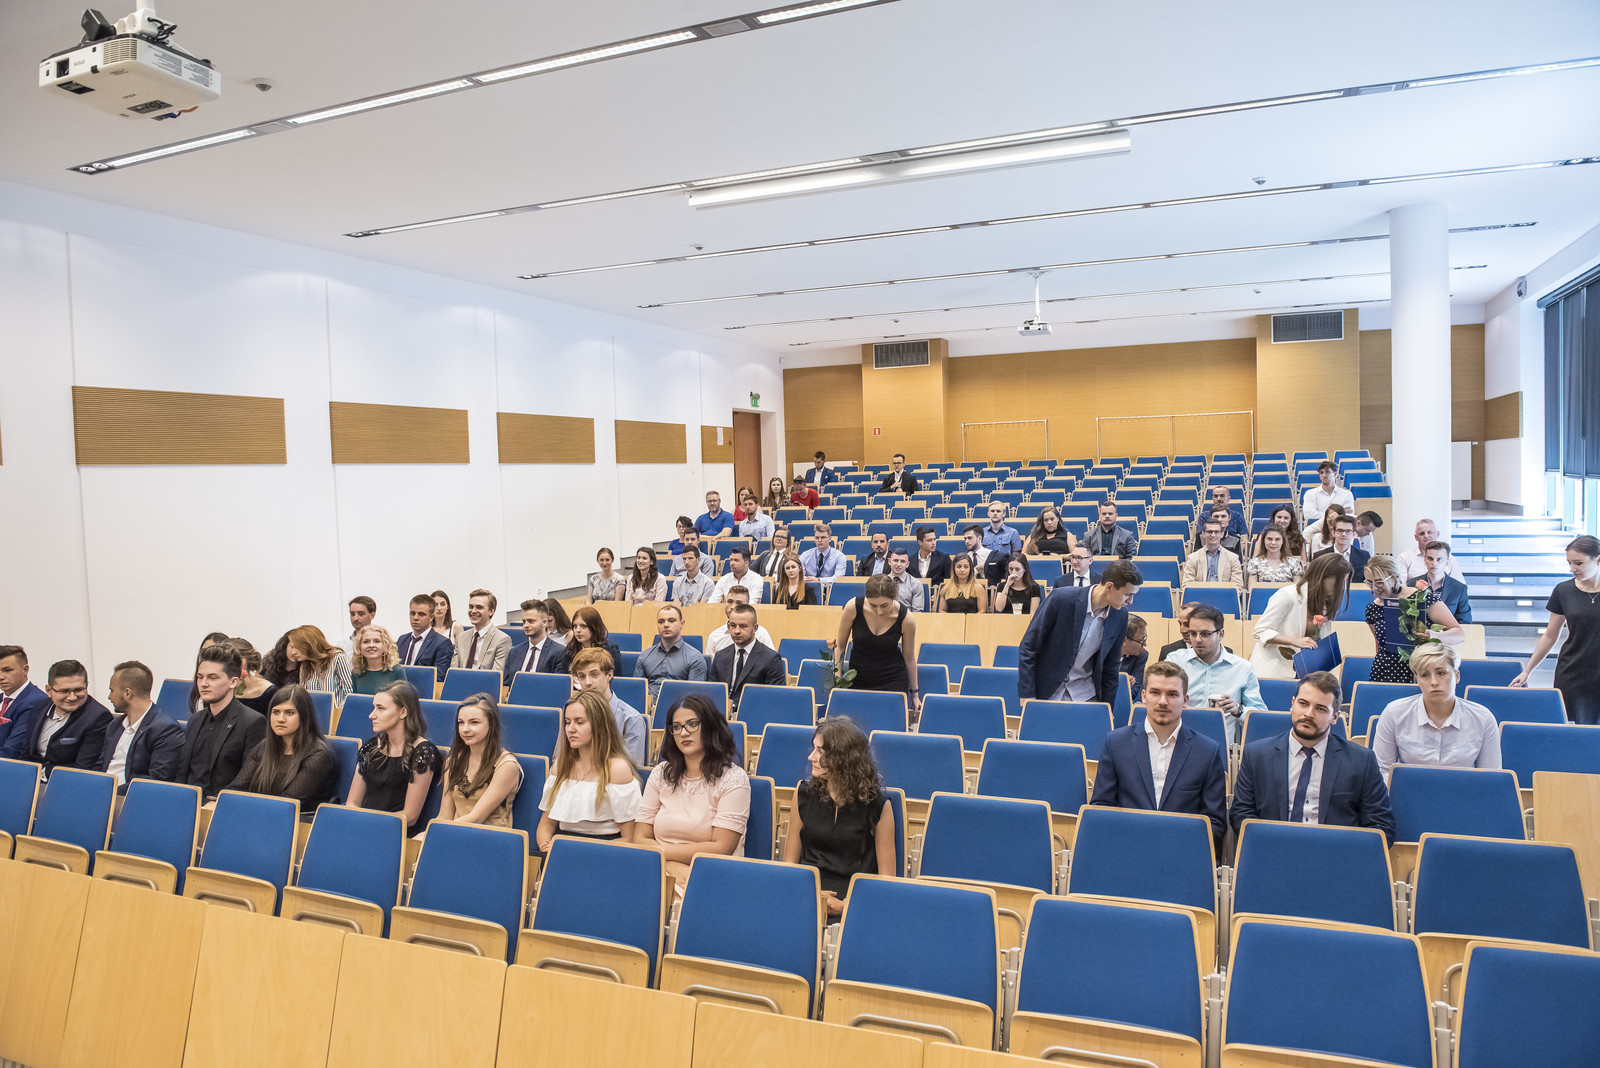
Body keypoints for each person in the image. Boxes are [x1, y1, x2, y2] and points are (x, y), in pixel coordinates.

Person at [1230, 672, 1394, 842]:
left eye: (1320, 709)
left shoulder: (1361, 761)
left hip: (1335, 852)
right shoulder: (1257, 755)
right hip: (1274, 849)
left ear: (1335, 717)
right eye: (1303, 704)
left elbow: (1381, 826)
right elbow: (1241, 814)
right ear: (1292, 704)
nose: (1309, 714)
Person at [1090, 661, 1229, 848]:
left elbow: (1215, 822)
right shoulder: (1116, 743)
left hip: (1181, 853)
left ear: (1185, 700)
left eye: (1172, 694)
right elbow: (1101, 807)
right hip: (1127, 850)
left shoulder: (1207, 751)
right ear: (1144, 696)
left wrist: (1169, 844)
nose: (1163, 701)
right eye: (1155, 692)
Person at [781, 717, 897, 914]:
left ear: (843, 759)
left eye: (820, 751)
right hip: (807, 896)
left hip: (856, 902)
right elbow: (789, 866)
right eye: (813, 748)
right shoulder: (803, 794)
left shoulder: (879, 805)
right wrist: (809, 896)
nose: (811, 757)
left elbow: (887, 882)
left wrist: (845, 906)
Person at [637, 693, 751, 890]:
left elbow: (722, 848)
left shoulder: (734, 779)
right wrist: (671, 866)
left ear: (710, 727)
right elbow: (639, 838)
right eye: (677, 727)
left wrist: (663, 854)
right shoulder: (660, 773)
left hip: (711, 875)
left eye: (692, 724)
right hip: (659, 870)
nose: (683, 733)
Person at [1370, 643, 1501, 781]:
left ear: (1457, 676)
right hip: (1407, 792)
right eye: (1425, 675)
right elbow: (1382, 771)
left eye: (1441, 673)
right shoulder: (1394, 713)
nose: (1433, 682)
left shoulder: (1483, 718)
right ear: (1417, 680)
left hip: (1464, 792)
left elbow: (1491, 778)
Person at [1018, 561, 1143, 703]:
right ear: (1109, 587)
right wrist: (1027, 694)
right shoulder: (1061, 598)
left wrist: (1107, 708)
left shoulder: (1120, 616)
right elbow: (1029, 646)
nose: (1130, 601)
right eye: (1128, 595)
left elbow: (1111, 666)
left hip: (1086, 694)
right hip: (1047, 690)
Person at [1511, 535, 1600, 723]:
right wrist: (1528, 670)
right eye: (1569, 563)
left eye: (1578, 563)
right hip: (1573, 673)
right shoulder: (1563, 590)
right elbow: (1550, 635)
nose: (1572, 569)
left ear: (1597, 560)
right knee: (1575, 730)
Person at [535, 689, 640, 846]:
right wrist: (546, 847)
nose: (570, 729)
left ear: (599, 726)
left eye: (579, 722)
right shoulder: (561, 766)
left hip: (605, 849)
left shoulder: (618, 769)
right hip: (562, 847)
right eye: (568, 722)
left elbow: (630, 838)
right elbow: (546, 824)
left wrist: (586, 854)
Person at [347, 681, 441, 836]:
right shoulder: (371, 747)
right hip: (364, 827)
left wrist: (369, 825)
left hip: (396, 834)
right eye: (374, 707)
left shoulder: (423, 752)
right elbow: (352, 803)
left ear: (403, 712)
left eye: (381, 708)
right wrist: (362, 824)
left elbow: (410, 816)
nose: (372, 715)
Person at [179, 644, 268, 801]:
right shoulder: (195, 720)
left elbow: (248, 779)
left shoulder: (253, 722)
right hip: (185, 802)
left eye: (213, 677)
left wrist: (218, 801)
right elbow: (182, 772)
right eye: (200, 677)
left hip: (223, 805)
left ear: (233, 682)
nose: (204, 683)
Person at [1166, 605, 1267, 743]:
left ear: (1220, 634)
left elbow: (1260, 715)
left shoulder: (1243, 668)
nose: (1197, 639)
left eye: (1205, 634)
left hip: (1222, 746)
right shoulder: (1175, 661)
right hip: (1180, 742)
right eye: (1193, 633)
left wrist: (1238, 710)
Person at [236, 684, 338, 818]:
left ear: (304, 716)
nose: (280, 719)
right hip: (261, 816)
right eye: (275, 712)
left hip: (297, 823)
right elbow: (236, 788)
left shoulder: (318, 754)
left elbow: (288, 802)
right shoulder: (264, 746)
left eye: (289, 713)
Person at [1249, 554, 1352, 681]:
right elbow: (1260, 631)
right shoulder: (1287, 595)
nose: (1342, 586)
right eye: (1340, 580)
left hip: (1305, 674)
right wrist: (1293, 641)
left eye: (1345, 581)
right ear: (1323, 576)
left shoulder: (1325, 601)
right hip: (1273, 672)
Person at [1364, 555, 1463, 684]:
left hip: (1422, 669)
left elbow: (1459, 634)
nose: (1374, 588)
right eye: (1369, 583)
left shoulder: (1422, 599)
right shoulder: (1372, 608)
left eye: (1379, 582)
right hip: (1384, 671)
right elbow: (1379, 646)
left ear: (1395, 577)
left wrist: (1433, 636)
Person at [96, 660, 184, 792]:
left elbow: (157, 779)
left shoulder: (166, 729)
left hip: (130, 798)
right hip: (103, 794)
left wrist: (109, 792)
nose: (109, 697)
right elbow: (100, 766)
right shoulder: (115, 725)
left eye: (112, 690)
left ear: (127, 693)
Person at [437, 694, 523, 826]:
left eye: (474, 722)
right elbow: (444, 816)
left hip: (488, 835)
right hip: (453, 831)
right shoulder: (453, 761)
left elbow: (476, 818)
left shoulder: (506, 765)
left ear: (491, 724)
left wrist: (438, 832)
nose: (465, 729)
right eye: (461, 722)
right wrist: (429, 833)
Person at [835, 574, 919, 708]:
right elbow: (840, 646)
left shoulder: (907, 618)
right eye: (873, 605)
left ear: (894, 598)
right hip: (859, 677)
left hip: (893, 679)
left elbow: (909, 657)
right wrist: (837, 680)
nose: (879, 611)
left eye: (884, 605)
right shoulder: (853, 607)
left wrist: (915, 694)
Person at [20, 659, 112, 779]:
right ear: (49, 690)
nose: (72, 697)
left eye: (78, 690)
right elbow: (25, 751)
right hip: (30, 777)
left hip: (66, 782)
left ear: (87, 686)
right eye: (64, 691)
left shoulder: (98, 717)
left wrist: (42, 772)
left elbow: (83, 769)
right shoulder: (39, 706)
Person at [570, 648, 648, 765]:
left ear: (609, 675)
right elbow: (560, 761)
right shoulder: (572, 714)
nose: (587, 682)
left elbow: (631, 768)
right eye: (582, 676)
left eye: (594, 674)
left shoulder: (631, 719)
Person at [709, 604, 788, 708]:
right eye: (733, 625)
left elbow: (774, 698)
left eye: (743, 626)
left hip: (753, 711)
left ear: (755, 628)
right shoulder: (720, 656)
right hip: (720, 712)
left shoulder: (771, 659)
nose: (737, 631)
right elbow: (712, 693)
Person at [637, 605, 708, 705]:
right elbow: (637, 690)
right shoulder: (644, 655)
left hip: (679, 709)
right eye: (661, 621)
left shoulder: (695, 658)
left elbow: (694, 697)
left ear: (682, 623)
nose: (666, 625)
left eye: (671, 620)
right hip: (647, 708)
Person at [0, 645, 52, 759]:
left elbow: (13, 751)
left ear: (25, 669)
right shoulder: (2, 698)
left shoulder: (37, 701)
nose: (1, 676)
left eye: (7, 670)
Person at [285, 625, 354, 704]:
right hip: (314, 711)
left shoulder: (338, 657)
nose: (293, 652)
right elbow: (304, 696)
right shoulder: (305, 665)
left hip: (338, 710)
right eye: (292, 647)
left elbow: (349, 692)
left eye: (296, 647)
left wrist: (338, 710)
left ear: (311, 643)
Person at [505, 599, 565, 686]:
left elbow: (557, 686)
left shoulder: (559, 652)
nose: (526, 625)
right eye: (524, 622)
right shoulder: (514, 652)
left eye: (531, 621)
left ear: (544, 622)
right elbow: (505, 685)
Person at [450, 589, 511, 674]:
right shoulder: (461, 637)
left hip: (485, 682)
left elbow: (496, 676)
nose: (473, 611)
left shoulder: (502, 640)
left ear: (491, 611)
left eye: (479, 607)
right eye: (471, 607)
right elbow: (453, 671)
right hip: (461, 681)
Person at [398, 593, 453, 682]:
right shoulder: (402, 640)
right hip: (398, 688)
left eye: (421, 614)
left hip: (423, 688)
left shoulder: (442, 643)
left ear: (431, 617)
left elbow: (438, 678)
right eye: (412, 613)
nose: (415, 618)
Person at [706, 587, 776, 656]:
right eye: (730, 602)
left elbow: (771, 659)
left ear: (747, 606)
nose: (732, 607)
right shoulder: (715, 636)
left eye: (739, 603)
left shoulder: (761, 634)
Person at [1180, 519, 1245, 592]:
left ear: (1222, 534)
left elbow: (1237, 585)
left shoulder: (1233, 558)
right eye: (1209, 532)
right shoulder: (1193, 558)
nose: (1213, 535)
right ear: (1203, 534)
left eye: (1216, 532)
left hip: (1224, 596)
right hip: (1200, 597)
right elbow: (1187, 585)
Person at [1418, 541, 1472, 624]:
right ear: (1425, 560)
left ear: (1447, 561)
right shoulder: (1411, 585)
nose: (1434, 563)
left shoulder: (1459, 589)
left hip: (1448, 632)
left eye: (1439, 559)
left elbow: (1465, 622)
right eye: (1430, 558)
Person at [1397, 519, 1467, 582]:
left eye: (1429, 532)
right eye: (1422, 533)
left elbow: (1459, 587)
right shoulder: (1404, 558)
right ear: (1416, 537)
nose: (1426, 536)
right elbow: (1401, 586)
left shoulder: (1450, 559)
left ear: (1438, 534)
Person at [559, 607, 623, 674]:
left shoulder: (609, 649)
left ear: (594, 627)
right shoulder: (571, 648)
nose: (578, 630)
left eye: (583, 626)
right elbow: (563, 675)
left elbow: (615, 676)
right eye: (575, 626)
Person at [351, 625, 405, 695]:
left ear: (386, 646)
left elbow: (403, 700)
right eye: (366, 641)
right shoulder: (356, 672)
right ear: (359, 647)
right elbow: (355, 699)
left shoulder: (397, 671)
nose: (371, 645)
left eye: (377, 641)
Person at [1120, 616, 1149, 702]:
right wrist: (1122, 683)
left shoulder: (1141, 655)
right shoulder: (1103, 653)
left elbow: (1135, 691)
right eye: (1141, 640)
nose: (1145, 644)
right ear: (1124, 640)